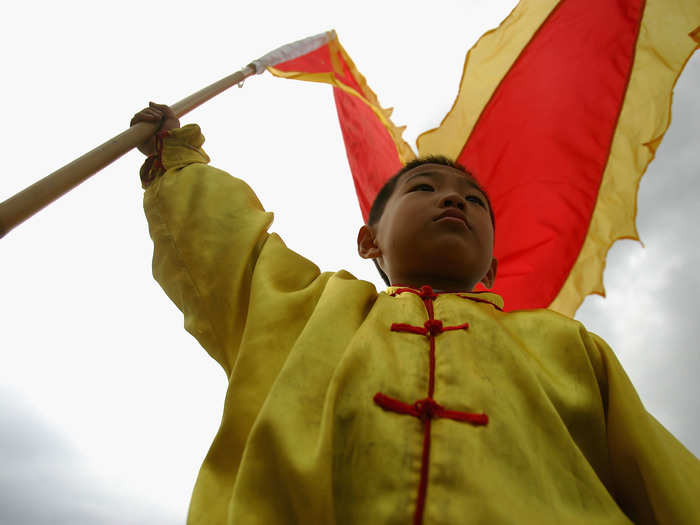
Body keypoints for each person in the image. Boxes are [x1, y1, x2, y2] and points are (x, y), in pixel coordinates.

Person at [132, 102, 700, 525]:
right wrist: (177, 158)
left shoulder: (568, 347)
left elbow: (665, 483)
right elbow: (228, 246)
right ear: (368, 241)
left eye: (474, 200)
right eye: (424, 188)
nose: (454, 199)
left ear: (493, 267)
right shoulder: (303, 309)